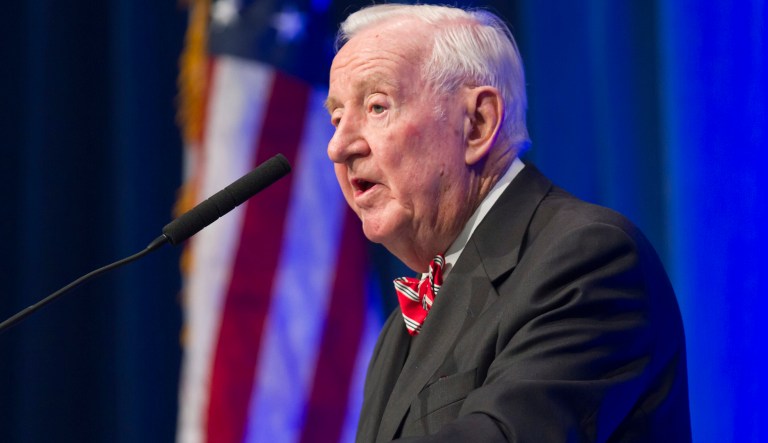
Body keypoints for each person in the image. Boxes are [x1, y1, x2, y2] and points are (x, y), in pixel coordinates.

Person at [324, 4, 690, 442]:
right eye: (337, 117)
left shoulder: (588, 260)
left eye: (377, 106)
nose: (338, 146)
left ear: (477, 123)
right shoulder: (397, 333)